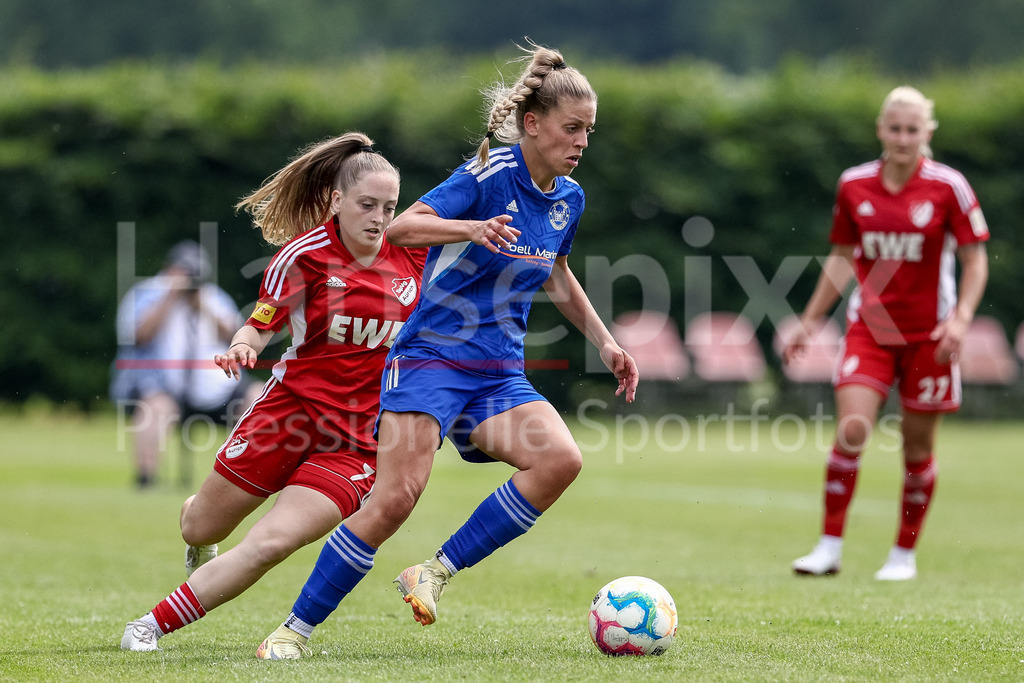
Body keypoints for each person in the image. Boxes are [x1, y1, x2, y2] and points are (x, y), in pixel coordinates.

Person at [256, 44, 639, 660]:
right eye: (573, 128)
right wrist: (472, 228)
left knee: (560, 461)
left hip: (497, 373)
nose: (582, 142)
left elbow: (556, 275)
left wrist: (608, 342)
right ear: (533, 125)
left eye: (589, 131)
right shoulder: (486, 175)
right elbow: (402, 227)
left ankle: (434, 571)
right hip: (431, 358)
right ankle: (292, 631)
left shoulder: (569, 198)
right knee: (394, 500)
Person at [120, 132, 427, 651]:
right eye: (367, 205)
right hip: (288, 413)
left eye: (389, 207)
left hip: (358, 439)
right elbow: (260, 324)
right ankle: (201, 522)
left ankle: (148, 626)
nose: (379, 218)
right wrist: (242, 346)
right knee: (200, 526)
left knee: (273, 541)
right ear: (336, 200)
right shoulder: (304, 256)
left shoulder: (414, 255)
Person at [786, 86, 989, 581]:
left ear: (928, 133)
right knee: (852, 431)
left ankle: (903, 555)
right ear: (881, 129)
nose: (903, 138)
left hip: (930, 338)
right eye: (894, 128)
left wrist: (961, 317)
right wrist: (810, 321)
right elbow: (840, 260)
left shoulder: (949, 187)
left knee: (918, 450)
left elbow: (975, 259)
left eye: (912, 129)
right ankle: (828, 547)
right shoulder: (854, 185)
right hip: (870, 332)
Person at [111, 240, 261, 488]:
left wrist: (201, 305)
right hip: (164, 384)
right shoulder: (147, 292)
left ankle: (249, 476)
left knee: (256, 397)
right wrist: (169, 298)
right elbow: (137, 337)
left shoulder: (213, 297)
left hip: (215, 385)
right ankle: (146, 479)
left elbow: (235, 336)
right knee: (154, 408)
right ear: (169, 269)